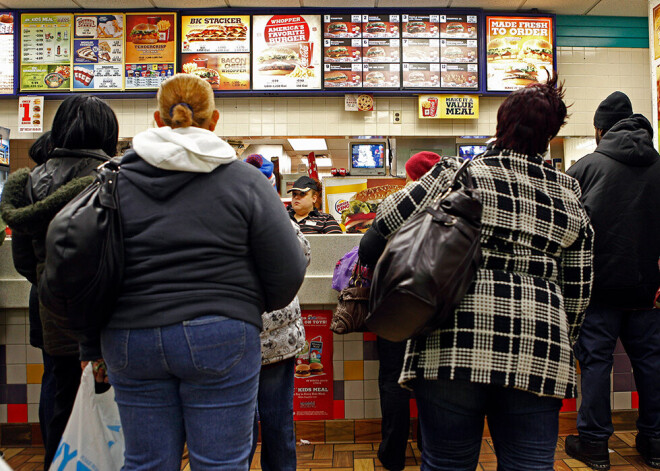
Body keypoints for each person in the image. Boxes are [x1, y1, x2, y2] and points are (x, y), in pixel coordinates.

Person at [368, 76, 594, 471]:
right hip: (539, 349)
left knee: (447, 463)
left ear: (500, 123)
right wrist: (562, 339)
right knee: (529, 464)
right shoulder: (569, 195)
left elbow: (385, 220)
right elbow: (578, 290)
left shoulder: (457, 174)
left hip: (452, 345)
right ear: (550, 135)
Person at [99, 73, 307, 470]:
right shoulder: (246, 181)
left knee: (145, 462)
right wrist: (242, 305)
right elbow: (287, 270)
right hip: (221, 335)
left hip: (129, 338)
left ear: (157, 120)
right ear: (214, 121)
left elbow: (82, 262)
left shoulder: (115, 179)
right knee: (220, 463)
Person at [0, 98, 118, 470]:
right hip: (107, 311)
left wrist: (52, 284)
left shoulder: (30, 181)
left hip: (51, 307)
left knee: (58, 389)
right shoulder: (113, 176)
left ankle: (59, 461)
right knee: (110, 396)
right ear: (108, 132)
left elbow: (22, 258)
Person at [565, 91, 660, 470]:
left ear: (599, 130)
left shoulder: (585, 168)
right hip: (646, 290)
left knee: (597, 365)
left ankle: (593, 446)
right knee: (651, 364)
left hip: (598, 290)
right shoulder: (659, 166)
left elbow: (565, 230)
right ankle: (654, 443)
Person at [359, 151, 441, 471]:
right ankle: (430, 446)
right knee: (432, 378)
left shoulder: (398, 204)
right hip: (439, 307)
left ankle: (393, 454)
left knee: (394, 380)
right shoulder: (456, 205)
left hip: (397, 305)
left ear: (410, 176)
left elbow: (367, 252)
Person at [249, 220, 310, 471]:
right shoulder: (269, 209)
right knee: (278, 421)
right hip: (276, 334)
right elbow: (302, 254)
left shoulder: (209, 208)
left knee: (237, 427)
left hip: (230, 334)